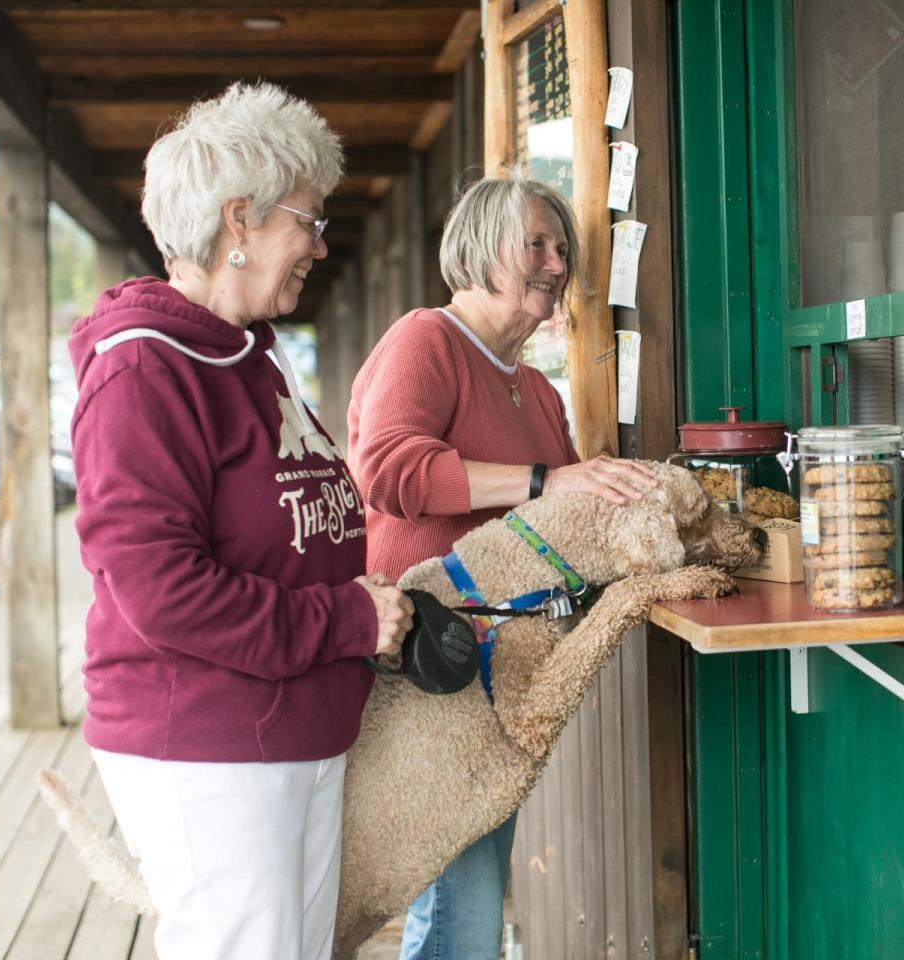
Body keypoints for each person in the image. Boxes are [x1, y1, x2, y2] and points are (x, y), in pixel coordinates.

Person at [67, 82, 415, 960]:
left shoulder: (252, 354)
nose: (318, 245)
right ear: (239, 220)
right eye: (309, 220)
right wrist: (348, 618)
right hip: (208, 746)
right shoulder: (146, 373)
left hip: (291, 731)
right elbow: (164, 593)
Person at [347, 176, 658, 960]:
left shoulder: (538, 391)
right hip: (429, 662)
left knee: (469, 891)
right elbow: (386, 469)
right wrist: (544, 481)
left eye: (563, 248)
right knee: (465, 903)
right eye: (537, 244)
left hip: (497, 678)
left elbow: (570, 512)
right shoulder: (428, 339)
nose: (556, 262)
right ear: (481, 249)